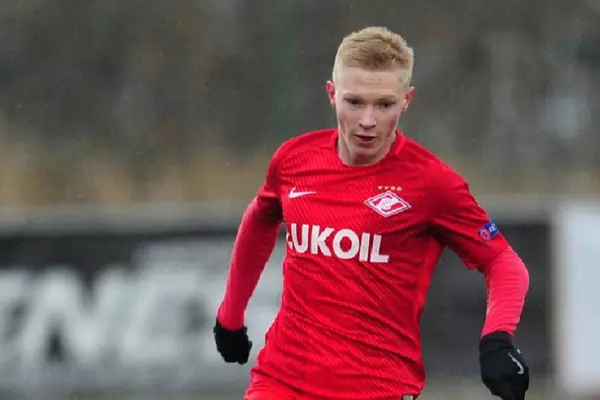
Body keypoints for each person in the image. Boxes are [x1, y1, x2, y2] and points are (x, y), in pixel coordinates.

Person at [213, 26, 530, 400]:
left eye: (384, 105)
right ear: (332, 94)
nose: (367, 120)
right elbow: (261, 217)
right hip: (281, 382)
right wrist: (230, 315)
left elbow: (503, 261)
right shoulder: (294, 160)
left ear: (406, 101)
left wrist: (497, 339)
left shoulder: (432, 183)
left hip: (378, 388)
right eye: (354, 102)